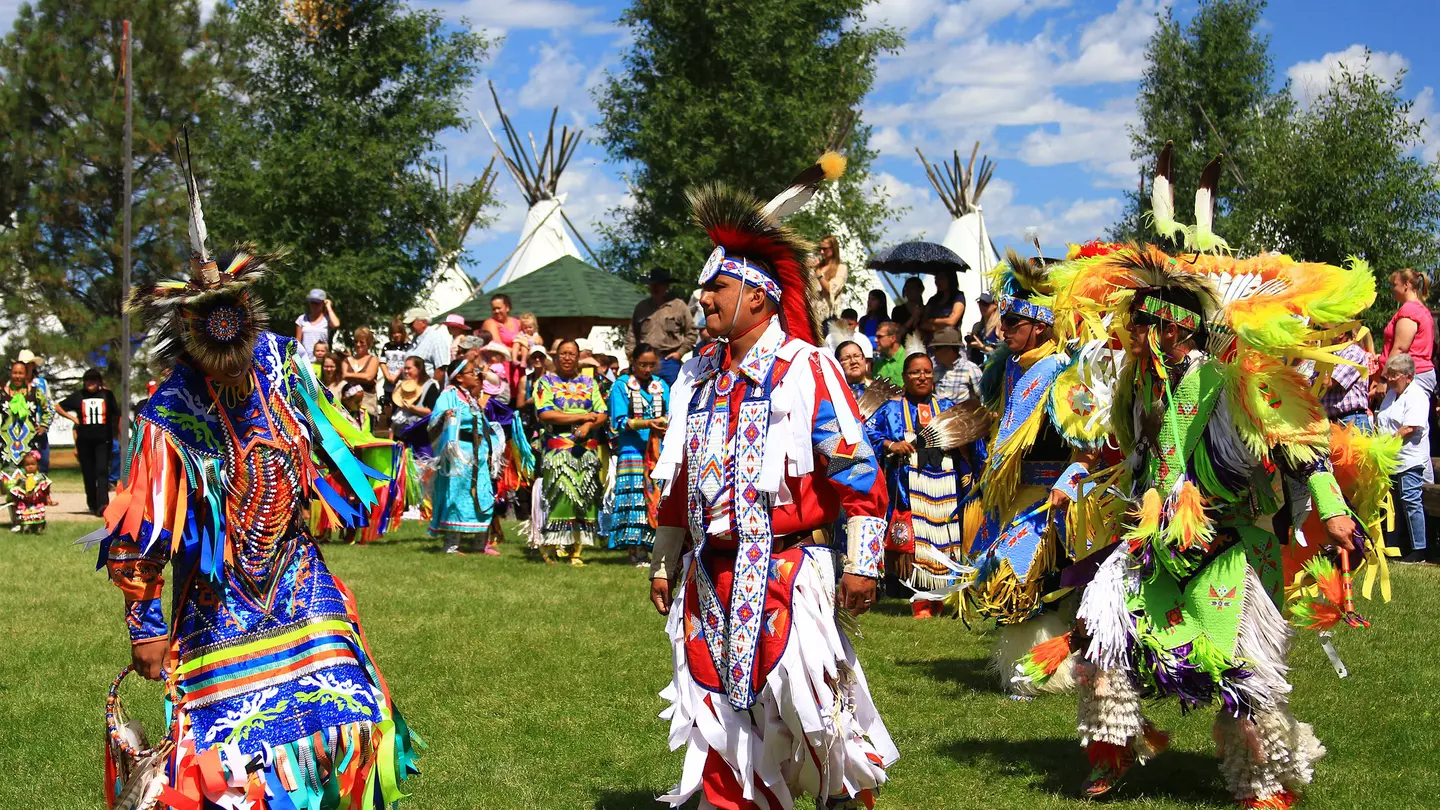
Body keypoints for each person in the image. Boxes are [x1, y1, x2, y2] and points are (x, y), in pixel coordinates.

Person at [93, 168, 418, 807]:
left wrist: (365, 485)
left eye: (233, 314)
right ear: (187, 329)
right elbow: (136, 531)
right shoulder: (170, 412)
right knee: (229, 757)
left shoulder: (279, 361)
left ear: (249, 312)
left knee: (345, 714)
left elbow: (326, 450)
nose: (225, 333)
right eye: (206, 320)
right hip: (215, 603)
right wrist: (144, 624)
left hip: (298, 579)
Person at [1035, 238, 1368, 808]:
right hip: (1155, 540)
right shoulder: (1138, 386)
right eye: (1131, 321)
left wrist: (1332, 509)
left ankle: (1262, 781)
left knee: (1245, 672)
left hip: (1230, 542)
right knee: (1103, 639)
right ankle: (1110, 753)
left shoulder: (1229, 378)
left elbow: (1300, 441)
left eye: (1144, 323)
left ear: (1176, 330)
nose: (1131, 332)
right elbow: (1133, 456)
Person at [648, 159, 896, 809]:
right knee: (717, 713)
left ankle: (836, 800)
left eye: (716, 291)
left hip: (788, 572)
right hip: (710, 578)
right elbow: (679, 480)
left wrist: (863, 562)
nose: (702, 301)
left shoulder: (804, 369)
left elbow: (857, 470)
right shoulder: (698, 379)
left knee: (812, 712)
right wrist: (663, 559)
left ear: (756, 296)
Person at [963, 250, 1111, 696]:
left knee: (1023, 577)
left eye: (1012, 323)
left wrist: (1068, 485)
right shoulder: (1009, 368)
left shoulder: (1063, 372)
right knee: (1012, 576)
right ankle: (1036, 667)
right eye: (1002, 321)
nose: (1002, 329)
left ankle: (1040, 670)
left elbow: (1089, 445)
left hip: (1051, 497)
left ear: (1040, 326)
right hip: (1012, 493)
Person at [867, 343, 975, 618]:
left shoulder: (947, 408)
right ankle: (921, 600)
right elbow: (867, 435)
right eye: (915, 373)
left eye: (927, 372)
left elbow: (973, 443)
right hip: (908, 488)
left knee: (944, 540)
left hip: (945, 487)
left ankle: (941, 598)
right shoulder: (890, 410)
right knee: (916, 543)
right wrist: (891, 444)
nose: (922, 377)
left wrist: (964, 444)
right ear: (904, 377)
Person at [535, 339, 607, 565]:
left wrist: (587, 426)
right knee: (560, 494)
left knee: (585, 497)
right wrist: (582, 417)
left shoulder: (589, 382)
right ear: (556, 356)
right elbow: (545, 414)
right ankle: (554, 546)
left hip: (585, 448)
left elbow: (602, 412)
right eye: (563, 354)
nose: (567, 358)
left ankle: (576, 550)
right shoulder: (545, 382)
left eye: (572, 354)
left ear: (578, 357)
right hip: (558, 446)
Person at [428, 359, 502, 555]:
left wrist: (484, 375)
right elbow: (434, 418)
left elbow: (498, 385)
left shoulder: (470, 396)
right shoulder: (449, 394)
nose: (476, 374)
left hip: (477, 450)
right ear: (459, 377)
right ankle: (451, 545)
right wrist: (447, 414)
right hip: (458, 451)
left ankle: (480, 544)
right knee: (457, 495)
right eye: (471, 372)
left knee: (483, 491)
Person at [607, 344, 669, 566]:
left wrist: (664, 425)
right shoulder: (621, 386)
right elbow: (618, 421)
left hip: (657, 451)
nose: (647, 368)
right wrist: (647, 423)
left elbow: (669, 413)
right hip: (632, 451)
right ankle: (635, 552)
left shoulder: (660, 385)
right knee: (635, 501)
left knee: (656, 499)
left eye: (652, 364)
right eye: (642, 364)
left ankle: (656, 550)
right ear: (632, 362)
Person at [1377, 353, 1430, 563]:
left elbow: (1408, 428)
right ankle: (1393, 547)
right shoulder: (1391, 395)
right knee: (1391, 505)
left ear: (1408, 376)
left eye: (1394, 375)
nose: (1389, 379)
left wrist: (1384, 443)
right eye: (1388, 374)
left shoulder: (1417, 395)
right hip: (1390, 460)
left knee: (1410, 501)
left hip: (1409, 459)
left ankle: (1419, 549)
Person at [55, 368, 120, 516]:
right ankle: (92, 503)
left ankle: (103, 504)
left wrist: (118, 434)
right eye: (87, 380)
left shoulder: (107, 395)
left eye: (94, 379)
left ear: (99, 382)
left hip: (103, 440)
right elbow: (58, 406)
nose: (90, 383)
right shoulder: (79, 396)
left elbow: (117, 414)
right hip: (85, 442)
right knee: (89, 474)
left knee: (102, 471)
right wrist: (73, 419)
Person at [626, 268, 698, 387]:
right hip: (644, 361)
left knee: (672, 398)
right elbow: (631, 335)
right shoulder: (641, 308)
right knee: (642, 396)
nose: (655, 288)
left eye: (659, 285)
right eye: (652, 285)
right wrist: (632, 357)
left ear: (666, 286)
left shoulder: (679, 306)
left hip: (669, 361)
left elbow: (692, 333)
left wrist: (679, 353)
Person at [1, 359, 52, 502]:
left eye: (20, 373)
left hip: (29, 446)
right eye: (15, 373)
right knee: (11, 483)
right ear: (11, 374)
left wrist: (43, 426)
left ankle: (28, 517)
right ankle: (15, 517)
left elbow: (49, 409)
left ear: (26, 374)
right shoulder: (2, 394)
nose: (17, 376)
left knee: (29, 484)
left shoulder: (35, 393)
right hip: (7, 447)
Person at [1380, 267, 1435, 399]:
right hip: (1412, 375)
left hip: (1409, 377)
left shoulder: (1409, 310)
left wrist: (1384, 379)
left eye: (1394, 285)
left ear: (1407, 284)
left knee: (1402, 419)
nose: (1392, 289)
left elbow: (1400, 349)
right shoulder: (1420, 309)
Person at [1317, 329, 1373, 430]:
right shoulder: (1325, 356)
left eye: (1325, 330)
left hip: (1352, 421)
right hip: (1330, 422)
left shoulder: (1353, 352)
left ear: (1341, 333)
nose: (1321, 334)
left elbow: (1327, 383)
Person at [392, 356, 441, 452]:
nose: (406, 371)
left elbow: (431, 411)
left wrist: (412, 408)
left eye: (409, 368)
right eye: (405, 368)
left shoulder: (430, 386)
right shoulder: (401, 385)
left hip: (420, 438)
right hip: (400, 435)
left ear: (419, 369)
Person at [17, 350, 53, 472]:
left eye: (28, 365)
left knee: (43, 463)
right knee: (21, 466)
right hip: (19, 433)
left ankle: (42, 490)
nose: (26, 368)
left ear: (33, 366)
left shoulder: (42, 384)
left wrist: (44, 425)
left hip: (39, 431)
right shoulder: (12, 385)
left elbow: (50, 406)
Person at [931, 326, 981, 404]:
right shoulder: (936, 370)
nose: (934, 352)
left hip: (962, 414)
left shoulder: (970, 368)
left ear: (948, 349)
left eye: (936, 348)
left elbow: (983, 396)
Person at [7, 450, 53, 533]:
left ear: (37, 465)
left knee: (38, 512)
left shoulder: (40, 477)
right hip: (25, 501)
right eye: (27, 465)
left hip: (37, 500)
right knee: (24, 513)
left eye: (33, 464)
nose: (30, 467)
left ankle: (39, 526)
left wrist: (48, 498)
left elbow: (46, 489)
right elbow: (16, 489)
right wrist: (15, 500)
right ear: (23, 466)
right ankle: (25, 526)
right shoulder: (22, 478)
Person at [405, 307, 454, 384]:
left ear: (423, 322)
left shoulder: (436, 339)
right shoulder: (415, 340)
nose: (409, 327)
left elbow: (441, 370)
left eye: (411, 323)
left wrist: (429, 390)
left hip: (427, 391)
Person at [344, 326, 382, 418]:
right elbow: (342, 375)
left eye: (362, 342)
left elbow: (369, 376)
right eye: (356, 341)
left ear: (368, 344)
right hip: (348, 405)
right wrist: (361, 376)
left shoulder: (373, 359)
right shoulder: (347, 360)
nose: (358, 344)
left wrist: (349, 375)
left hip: (367, 403)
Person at [380, 318, 412, 427]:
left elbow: (408, 363)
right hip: (389, 386)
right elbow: (382, 362)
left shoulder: (408, 347)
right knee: (389, 412)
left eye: (399, 332)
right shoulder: (387, 346)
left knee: (402, 413)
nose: (396, 335)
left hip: (402, 385)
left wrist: (397, 375)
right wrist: (388, 376)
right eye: (393, 333)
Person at [921, 267, 966, 343]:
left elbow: (952, 321)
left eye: (941, 278)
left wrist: (932, 321)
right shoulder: (932, 300)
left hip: (951, 344)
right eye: (936, 278)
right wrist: (944, 326)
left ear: (950, 279)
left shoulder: (958, 296)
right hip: (932, 344)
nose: (937, 281)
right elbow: (923, 324)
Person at [295, 287, 339, 361]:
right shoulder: (302, 319)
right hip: (305, 360)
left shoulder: (327, 320)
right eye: (312, 303)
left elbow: (336, 324)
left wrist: (329, 307)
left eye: (317, 303)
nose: (314, 306)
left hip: (322, 361)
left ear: (323, 303)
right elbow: (298, 340)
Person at [812, 234, 849, 318]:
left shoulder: (841, 268)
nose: (821, 252)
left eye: (825, 249)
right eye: (820, 249)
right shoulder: (818, 266)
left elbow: (831, 289)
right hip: (811, 312)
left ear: (833, 249)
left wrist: (818, 273)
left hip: (827, 315)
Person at [967, 290, 1001, 364]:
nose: (981, 306)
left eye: (985, 304)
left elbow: (1004, 353)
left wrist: (983, 347)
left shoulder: (999, 326)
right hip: (980, 370)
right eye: (980, 302)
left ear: (995, 305)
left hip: (995, 371)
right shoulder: (977, 327)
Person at [872, 320, 905, 386]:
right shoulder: (878, 363)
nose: (875, 340)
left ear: (893, 338)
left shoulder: (909, 358)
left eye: (879, 337)